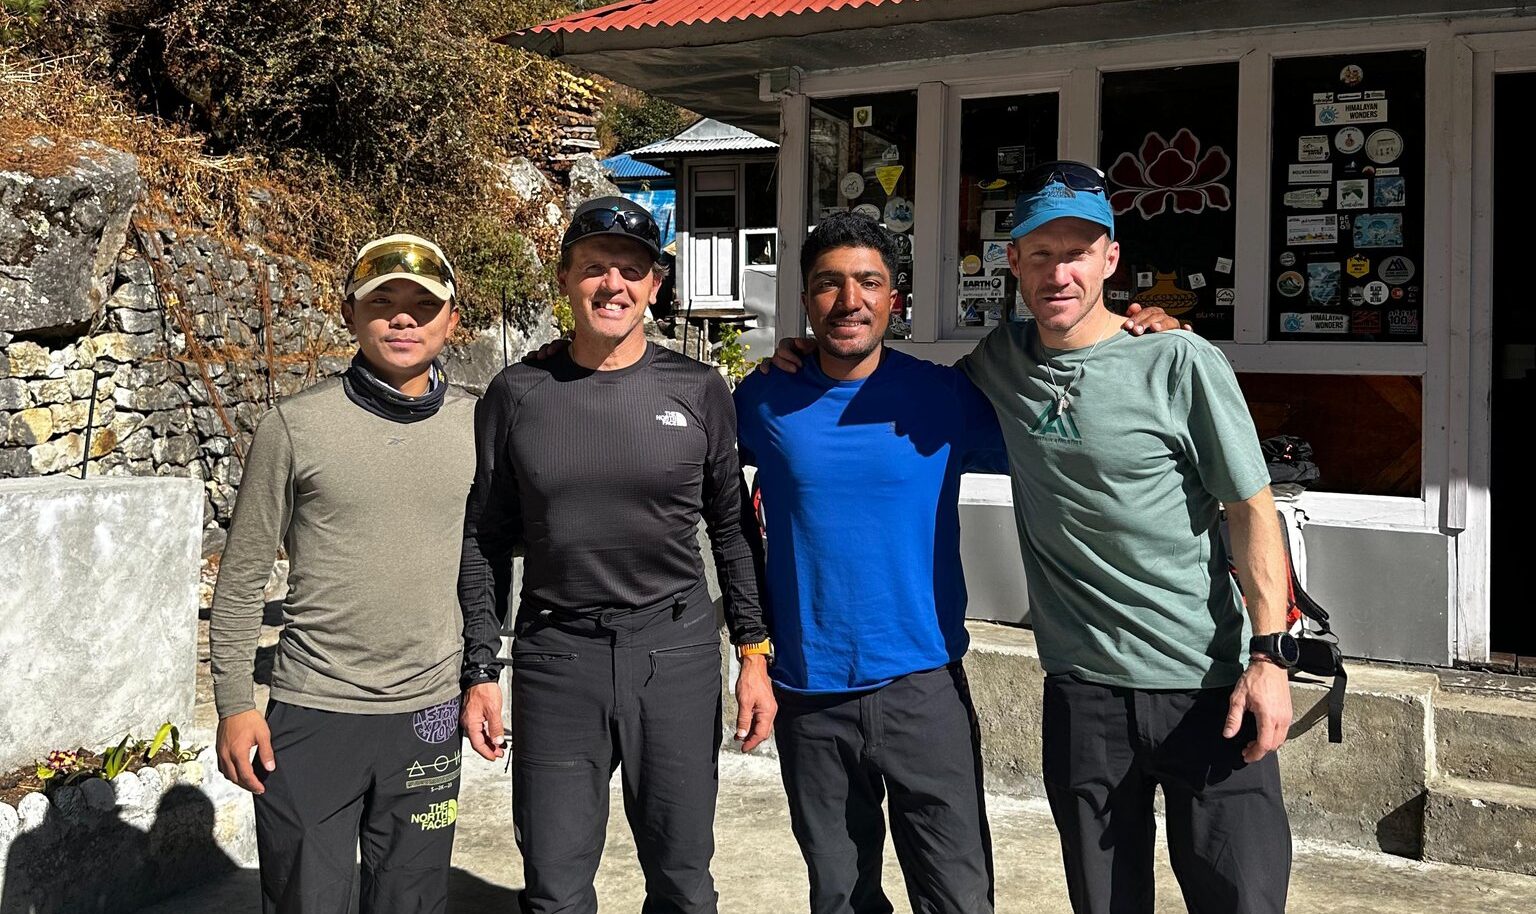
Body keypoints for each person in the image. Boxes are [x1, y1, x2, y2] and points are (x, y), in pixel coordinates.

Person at [746, 212, 1183, 914]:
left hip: (925, 688)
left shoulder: (945, 396)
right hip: (808, 690)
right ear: (805, 298)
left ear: (897, 300)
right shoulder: (762, 399)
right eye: (828, 284)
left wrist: (1140, 346)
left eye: (869, 282)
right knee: (838, 894)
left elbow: (1072, 434)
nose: (848, 300)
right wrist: (752, 653)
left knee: (957, 895)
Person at [959, 161, 1294, 914]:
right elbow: (897, 395)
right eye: (1039, 254)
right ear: (1012, 263)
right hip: (1084, 694)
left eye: (1077, 252)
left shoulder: (1178, 360)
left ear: (1110, 259)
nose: (1058, 273)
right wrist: (804, 362)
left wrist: (1270, 658)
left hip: (1207, 685)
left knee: (1243, 897)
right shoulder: (1000, 362)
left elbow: (1251, 510)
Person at [456, 196, 775, 914]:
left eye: (630, 270)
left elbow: (731, 529)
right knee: (555, 887)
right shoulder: (517, 393)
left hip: (676, 653)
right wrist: (480, 668)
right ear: (566, 278)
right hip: (557, 656)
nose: (613, 286)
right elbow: (484, 539)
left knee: (683, 882)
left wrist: (752, 654)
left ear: (654, 285)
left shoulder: (698, 390)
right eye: (595, 268)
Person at [211, 234, 475, 914]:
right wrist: (237, 704)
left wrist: (485, 676)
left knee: (412, 901)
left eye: (423, 304)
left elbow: (485, 562)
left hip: (430, 713)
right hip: (313, 710)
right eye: (381, 303)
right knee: (307, 900)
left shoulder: (480, 424)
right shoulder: (295, 427)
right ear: (349, 316)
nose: (402, 319)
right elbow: (241, 577)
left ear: (452, 318)